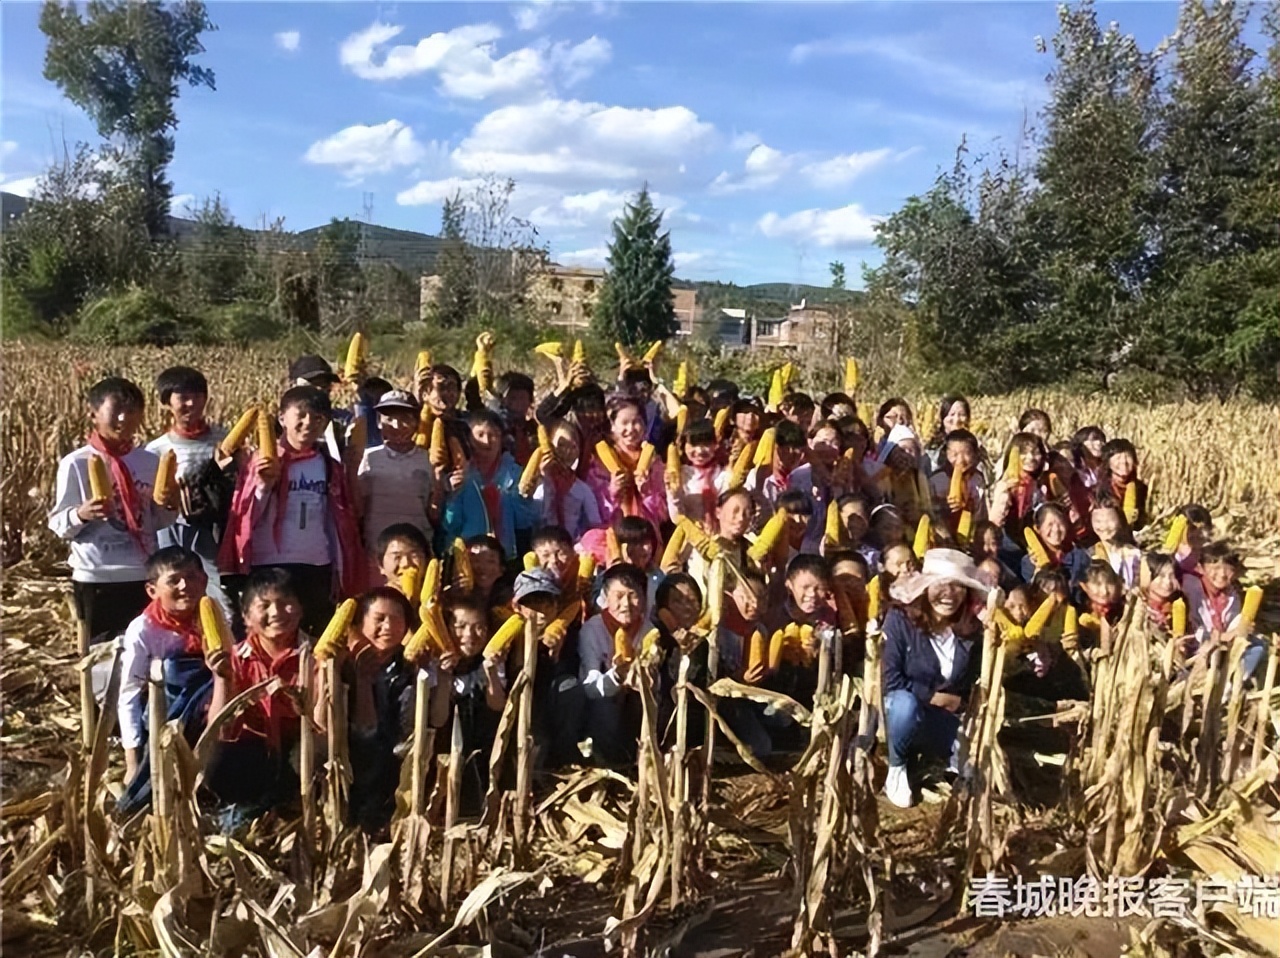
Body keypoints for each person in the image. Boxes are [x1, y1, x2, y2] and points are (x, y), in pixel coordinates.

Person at [219, 385, 364, 635]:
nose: (309, 423)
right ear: (282, 417)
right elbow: (243, 518)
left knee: (315, 638)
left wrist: (340, 569)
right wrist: (265, 486)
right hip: (270, 564)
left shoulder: (329, 465)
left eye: (317, 418)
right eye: (302, 415)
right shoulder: (260, 460)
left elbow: (338, 519)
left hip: (317, 565)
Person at [50, 377, 177, 642]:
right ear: (94, 414)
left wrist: (170, 504)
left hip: (143, 574)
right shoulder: (76, 464)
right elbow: (59, 524)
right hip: (97, 576)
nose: (124, 418)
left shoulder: (149, 461)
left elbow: (160, 520)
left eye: (131, 411)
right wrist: (81, 514)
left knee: (144, 654)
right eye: (116, 410)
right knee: (99, 656)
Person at [329, 587, 448, 834]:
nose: (388, 627)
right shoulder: (343, 662)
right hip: (351, 751)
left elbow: (414, 725)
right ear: (361, 622)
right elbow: (364, 728)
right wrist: (358, 679)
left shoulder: (410, 665)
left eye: (396, 619)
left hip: (395, 753)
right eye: (379, 619)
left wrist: (423, 674)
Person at [881, 549, 988, 808]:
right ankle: (897, 767)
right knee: (905, 705)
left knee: (973, 763)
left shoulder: (972, 631)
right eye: (940, 585)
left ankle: (950, 769)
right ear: (925, 587)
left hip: (941, 718)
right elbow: (890, 679)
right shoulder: (900, 620)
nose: (949, 594)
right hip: (901, 711)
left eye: (958, 587)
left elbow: (971, 682)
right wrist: (933, 697)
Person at [204, 567, 309, 820]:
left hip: (299, 752)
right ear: (246, 616)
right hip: (252, 754)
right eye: (264, 605)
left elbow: (324, 729)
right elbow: (218, 730)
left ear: (301, 608)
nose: (276, 613)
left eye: (286, 603)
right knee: (220, 759)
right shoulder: (234, 658)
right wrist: (222, 679)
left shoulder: (316, 656)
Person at [117, 547, 211, 784]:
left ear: (205, 580)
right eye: (174, 580)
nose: (184, 586)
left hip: (208, 711)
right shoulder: (144, 630)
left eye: (191, 577)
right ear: (152, 590)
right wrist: (132, 763)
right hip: (163, 717)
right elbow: (129, 693)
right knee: (169, 669)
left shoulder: (216, 619)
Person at [147, 365, 235, 616]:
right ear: (167, 403)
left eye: (197, 396)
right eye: (182, 397)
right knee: (175, 588)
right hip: (173, 528)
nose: (191, 403)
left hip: (214, 528)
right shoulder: (156, 450)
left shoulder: (224, 439)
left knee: (218, 590)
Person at [578, 563, 651, 767]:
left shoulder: (649, 631)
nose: (626, 604)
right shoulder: (592, 631)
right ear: (605, 598)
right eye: (618, 596)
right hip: (600, 706)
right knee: (604, 706)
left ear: (644, 599)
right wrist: (616, 676)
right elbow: (590, 687)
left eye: (633, 595)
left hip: (635, 705)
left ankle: (640, 759)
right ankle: (604, 761)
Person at [439, 409, 535, 557]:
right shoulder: (458, 472)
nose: (487, 441)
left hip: (502, 556)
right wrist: (453, 496)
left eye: (494, 435)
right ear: (469, 439)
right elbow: (450, 525)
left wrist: (524, 498)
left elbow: (522, 522)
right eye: (480, 435)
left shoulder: (515, 474)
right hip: (465, 553)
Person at [357, 389, 438, 565]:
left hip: (417, 548)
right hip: (377, 550)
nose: (396, 425)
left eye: (405, 419)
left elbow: (435, 511)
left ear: (417, 423)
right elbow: (359, 508)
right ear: (379, 422)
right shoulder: (368, 458)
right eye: (389, 419)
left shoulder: (429, 460)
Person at [444, 594, 507, 807]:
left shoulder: (490, 660)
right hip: (444, 748)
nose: (469, 635)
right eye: (460, 626)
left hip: (481, 745)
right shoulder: (437, 660)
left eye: (478, 627)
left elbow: (498, 707)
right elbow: (436, 718)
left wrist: (491, 673)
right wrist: (444, 676)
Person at [586, 397, 668, 532]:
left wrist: (647, 493)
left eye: (636, 422)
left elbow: (663, 515)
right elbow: (594, 512)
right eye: (624, 423)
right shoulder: (599, 463)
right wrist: (613, 492)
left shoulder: (655, 463)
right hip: (613, 533)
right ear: (612, 427)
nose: (630, 429)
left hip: (646, 534)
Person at [531, 419, 602, 539]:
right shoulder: (538, 485)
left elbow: (594, 523)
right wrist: (546, 478)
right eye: (561, 445)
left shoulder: (582, 489)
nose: (567, 451)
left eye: (573, 446)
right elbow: (535, 517)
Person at [669, 418, 729, 532]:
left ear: (715, 445)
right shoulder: (681, 474)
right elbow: (676, 517)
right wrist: (674, 494)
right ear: (684, 446)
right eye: (694, 444)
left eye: (706, 444)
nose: (700, 450)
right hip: (690, 541)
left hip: (720, 540)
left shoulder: (724, 476)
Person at [746, 419, 807, 522]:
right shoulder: (755, 478)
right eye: (784, 449)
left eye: (795, 451)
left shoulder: (805, 477)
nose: (788, 456)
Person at [930, 429, 988, 537]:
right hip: (942, 534)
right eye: (954, 454)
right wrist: (943, 506)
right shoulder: (937, 479)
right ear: (945, 454)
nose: (960, 460)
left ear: (975, 455)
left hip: (970, 533)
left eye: (967, 453)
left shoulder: (977, 479)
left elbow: (981, 512)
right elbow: (929, 510)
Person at [1019, 503, 1091, 590]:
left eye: (1060, 523)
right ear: (1037, 529)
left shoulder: (1079, 556)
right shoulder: (1029, 563)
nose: (1056, 529)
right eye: (1050, 525)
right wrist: (1038, 572)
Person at [1094, 438, 1148, 530]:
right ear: (1108, 463)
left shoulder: (1141, 489)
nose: (1124, 462)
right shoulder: (1097, 490)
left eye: (1128, 457)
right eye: (1118, 458)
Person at [1088, 503, 1141, 589]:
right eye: (1098, 521)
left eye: (1110, 520)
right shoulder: (1088, 556)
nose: (1104, 526)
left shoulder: (1133, 554)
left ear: (1120, 521)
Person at [374, 523, 431, 594]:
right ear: (381, 566)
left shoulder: (442, 601)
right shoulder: (371, 603)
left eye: (414, 556)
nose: (406, 564)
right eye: (397, 557)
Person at [924, 395, 970, 475]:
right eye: (952, 414)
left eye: (962, 414)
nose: (956, 419)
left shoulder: (976, 447)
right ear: (943, 417)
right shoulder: (932, 448)